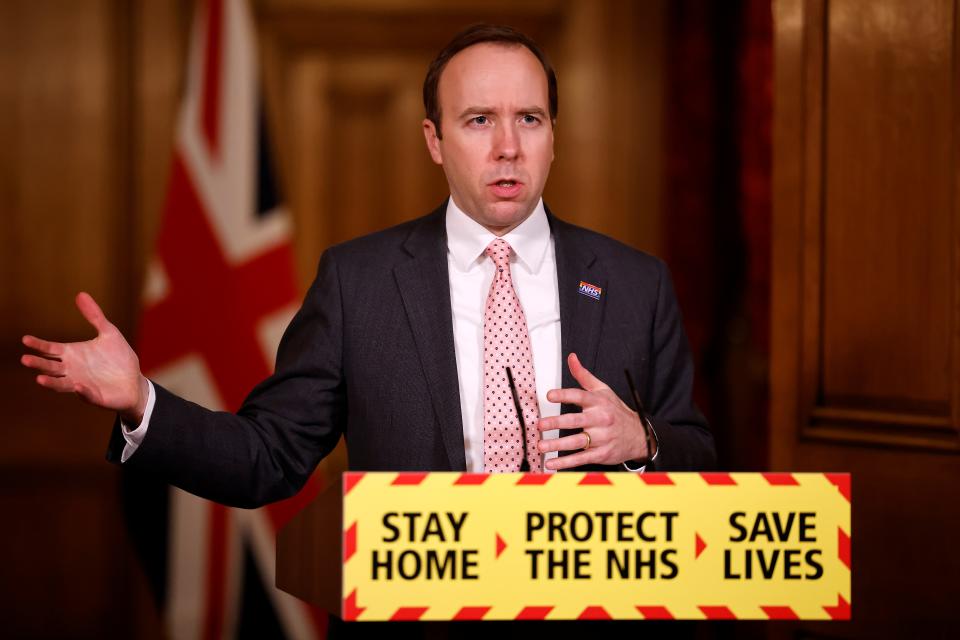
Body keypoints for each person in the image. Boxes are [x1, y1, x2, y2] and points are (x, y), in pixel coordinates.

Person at [21, 25, 715, 509]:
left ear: (554, 136)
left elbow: (702, 465)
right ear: (434, 140)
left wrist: (641, 440)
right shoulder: (359, 284)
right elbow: (270, 455)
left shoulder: (634, 282)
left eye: (529, 119)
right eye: (478, 120)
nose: (508, 146)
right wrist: (143, 401)